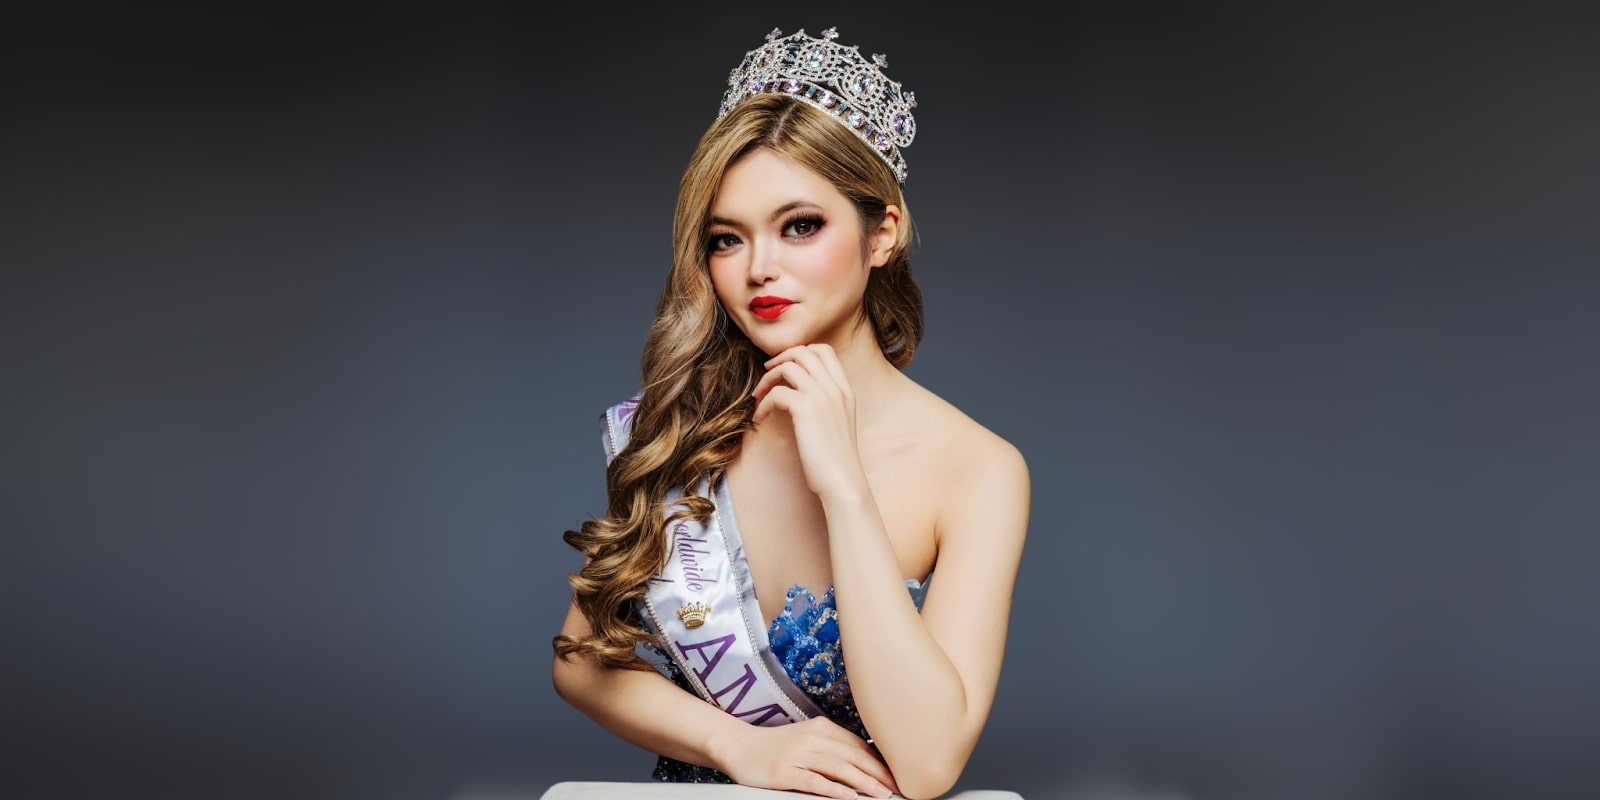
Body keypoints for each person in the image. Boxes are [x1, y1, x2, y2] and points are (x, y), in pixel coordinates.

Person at [551, 25, 1030, 800]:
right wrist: (736, 745)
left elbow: (930, 763)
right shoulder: (677, 426)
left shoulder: (977, 469)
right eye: (726, 239)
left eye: (799, 226)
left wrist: (843, 486)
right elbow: (580, 659)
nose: (759, 269)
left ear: (883, 234)